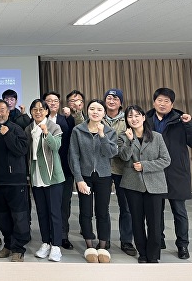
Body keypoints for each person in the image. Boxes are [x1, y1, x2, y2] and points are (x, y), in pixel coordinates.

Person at [146, 87, 192, 259]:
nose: (162, 104)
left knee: (179, 211)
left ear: (172, 104)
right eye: (159, 100)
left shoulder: (181, 119)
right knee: (156, 211)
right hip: (155, 171)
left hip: (177, 172)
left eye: (166, 101)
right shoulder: (146, 119)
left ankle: (183, 245)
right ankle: (159, 239)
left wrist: (190, 124)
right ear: (154, 101)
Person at [119, 105, 171, 263]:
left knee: (155, 222)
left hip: (155, 185)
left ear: (143, 117)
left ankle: (153, 255)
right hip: (132, 184)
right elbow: (123, 157)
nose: (133, 119)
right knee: (137, 220)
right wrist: (129, 141)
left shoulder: (157, 136)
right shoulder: (123, 136)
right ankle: (142, 252)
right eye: (129, 116)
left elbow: (166, 160)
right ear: (126, 120)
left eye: (136, 116)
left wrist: (145, 166)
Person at [68, 99, 117, 263]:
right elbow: (73, 156)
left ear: (104, 113)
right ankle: (89, 245)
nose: (95, 112)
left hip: (104, 176)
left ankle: (102, 246)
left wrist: (102, 135)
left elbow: (110, 153)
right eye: (92, 109)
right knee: (86, 211)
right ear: (87, 111)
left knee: (103, 211)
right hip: (85, 177)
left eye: (99, 109)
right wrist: (79, 179)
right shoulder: (78, 130)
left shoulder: (110, 131)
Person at [0, 99, 30, 262]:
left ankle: (19, 249)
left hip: (15, 183)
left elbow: (21, 150)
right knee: (2, 218)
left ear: (8, 112)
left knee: (19, 217)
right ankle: (8, 245)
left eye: (2, 110)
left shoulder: (16, 129)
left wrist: (8, 134)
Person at [26, 98, 64, 262]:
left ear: (47, 111)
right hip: (36, 175)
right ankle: (46, 242)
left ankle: (56, 246)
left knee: (54, 212)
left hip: (52, 175)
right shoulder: (28, 129)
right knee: (41, 212)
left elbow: (56, 146)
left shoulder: (54, 127)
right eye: (35, 109)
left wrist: (46, 132)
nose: (38, 112)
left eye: (41, 109)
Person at [102, 89, 135, 256]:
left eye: (116, 98)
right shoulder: (98, 116)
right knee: (103, 206)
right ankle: (104, 238)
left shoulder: (128, 119)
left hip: (123, 168)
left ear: (121, 103)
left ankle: (127, 241)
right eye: (109, 97)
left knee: (126, 207)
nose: (112, 100)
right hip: (104, 168)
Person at [43, 91, 75, 250]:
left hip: (64, 168)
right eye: (49, 101)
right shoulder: (37, 121)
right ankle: (48, 235)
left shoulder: (67, 120)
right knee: (46, 203)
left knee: (64, 204)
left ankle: (63, 235)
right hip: (44, 169)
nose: (53, 103)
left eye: (56, 101)